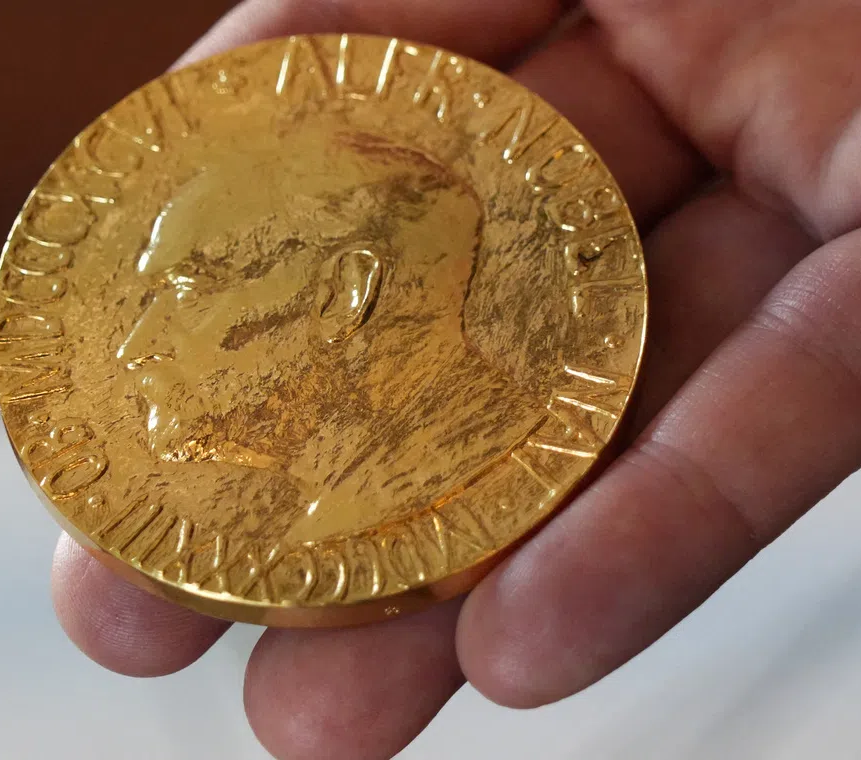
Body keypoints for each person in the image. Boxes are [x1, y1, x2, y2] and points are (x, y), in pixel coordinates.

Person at [51, 2, 861, 758]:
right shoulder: (346, 504)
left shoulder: (460, 456)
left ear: (344, 291)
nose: (135, 344)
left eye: (179, 294)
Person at [115, 127, 547, 545]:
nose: (134, 349)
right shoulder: (356, 501)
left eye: (189, 291)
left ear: (345, 294)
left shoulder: (450, 475)